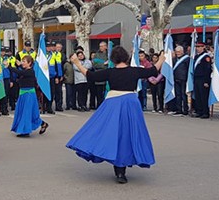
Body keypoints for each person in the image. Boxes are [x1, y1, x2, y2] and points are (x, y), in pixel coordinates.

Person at [67, 46, 165, 184]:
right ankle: (124, 167)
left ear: (113, 59)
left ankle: (118, 169)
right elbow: (153, 70)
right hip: (131, 104)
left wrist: (77, 63)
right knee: (129, 135)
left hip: (113, 103)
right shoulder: (134, 71)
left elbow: (91, 76)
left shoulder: (110, 72)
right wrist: (161, 59)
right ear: (126, 58)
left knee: (111, 133)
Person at [10, 55, 49, 137]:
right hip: (22, 94)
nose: (22, 63)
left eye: (24, 61)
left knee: (26, 112)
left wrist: (9, 67)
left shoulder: (30, 71)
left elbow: (20, 72)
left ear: (29, 63)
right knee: (26, 113)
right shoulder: (25, 70)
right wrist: (19, 65)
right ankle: (43, 123)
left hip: (29, 94)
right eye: (22, 61)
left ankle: (25, 131)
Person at [168, 45, 190, 116]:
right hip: (176, 79)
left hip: (183, 79)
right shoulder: (174, 59)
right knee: (178, 95)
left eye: (179, 52)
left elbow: (188, 69)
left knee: (184, 95)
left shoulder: (186, 59)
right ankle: (179, 109)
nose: (178, 53)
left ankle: (185, 110)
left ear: (182, 51)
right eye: (176, 52)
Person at [192, 41, 212, 118]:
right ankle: (199, 111)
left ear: (203, 47)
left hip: (203, 79)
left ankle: (205, 112)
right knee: (198, 96)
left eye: (199, 47)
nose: (198, 48)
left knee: (203, 96)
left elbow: (207, 70)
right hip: (197, 78)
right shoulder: (196, 57)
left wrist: (206, 81)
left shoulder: (206, 57)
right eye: (197, 47)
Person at [90, 41, 109, 110]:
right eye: (100, 46)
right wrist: (104, 64)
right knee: (99, 93)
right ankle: (99, 106)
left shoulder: (109, 54)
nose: (101, 48)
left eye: (102, 46)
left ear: (106, 47)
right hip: (99, 76)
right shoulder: (97, 55)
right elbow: (95, 65)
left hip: (107, 77)